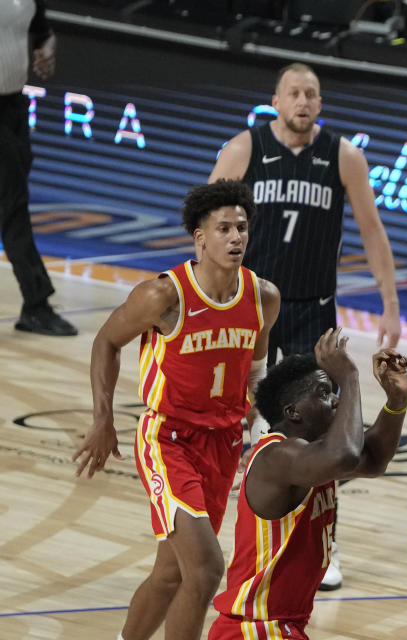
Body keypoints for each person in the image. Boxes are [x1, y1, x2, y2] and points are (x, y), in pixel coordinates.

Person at [209, 61, 401, 589]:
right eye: (294, 92)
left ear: (320, 103)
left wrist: (390, 302)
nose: (303, 101)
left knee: (323, 433)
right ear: (276, 99)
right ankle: (218, 530)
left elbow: (371, 229)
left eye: (311, 94)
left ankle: (325, 545)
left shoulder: (343, 155)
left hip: (313, 309)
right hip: (252, 307)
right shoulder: (244, 148)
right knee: (237, 419)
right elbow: (206, 221)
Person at [72, 180, 281, 640]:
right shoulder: (164, 296)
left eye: (242, 227)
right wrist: (103, 419)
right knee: (205, 571)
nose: (235, 237)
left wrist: (259, 431)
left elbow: (257, 373)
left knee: (171, 573)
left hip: (223, 443)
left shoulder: (263, 296)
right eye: (223, 228)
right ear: (199, 238)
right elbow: (106, 341)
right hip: (168, 439)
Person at [208, 328, 407, 640]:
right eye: (323, 392)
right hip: (255, 629)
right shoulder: (278, 455)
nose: (334, 400)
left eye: (332, 391)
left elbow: (371, 460)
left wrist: (396, 401)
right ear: (293, 412)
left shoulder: (312, 456)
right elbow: (345, 455)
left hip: (279, 626)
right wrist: (350, 376)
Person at [1, 0, 76, 336]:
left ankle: (35, 305)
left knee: (11, 202)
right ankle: (36, 304)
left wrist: (46, 49)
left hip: (14, 105)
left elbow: (41, 32)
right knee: (13, 205)